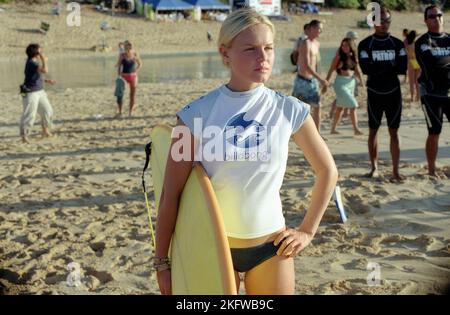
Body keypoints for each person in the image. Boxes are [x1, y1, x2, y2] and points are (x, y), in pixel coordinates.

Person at [154, 8, 338, 295]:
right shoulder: (194, 116)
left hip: (271, 247)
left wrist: (307, 230)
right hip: (210, 248)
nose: (262, 57)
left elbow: (327, 171)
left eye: (268, 48)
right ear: (225, 53)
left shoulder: (289, 109)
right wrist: (162, 262)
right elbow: (170, 194)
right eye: (251, 49)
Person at [358, 7, 407, 181]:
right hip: (374, 93)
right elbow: (366, 68)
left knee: (394, 132)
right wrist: (389, 66)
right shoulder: (365, 44)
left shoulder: (397, 44)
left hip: (393, 92)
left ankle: (395, 170)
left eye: (387, 21)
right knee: (373, 131)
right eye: (380, 21)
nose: (384, 24)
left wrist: (379, 67)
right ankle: (374, 168)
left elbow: (402, 68)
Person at [415, 5, 450, 178]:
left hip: (449, 92)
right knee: (434, 131)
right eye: (432, 16)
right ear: (426, 20)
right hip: (431, 94)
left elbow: (441, 61)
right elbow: (432, 63)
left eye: (439, 15)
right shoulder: (423, 41)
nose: (436, 18)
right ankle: (431, 169)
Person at [293, 20, 328, 133]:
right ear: (311, 29)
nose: (320, 31)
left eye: (321, 29)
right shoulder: (305, 43)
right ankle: (295, 133)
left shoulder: (317, 44)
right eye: (319, 29)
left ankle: (317, 134)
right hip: (302, 80)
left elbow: (316, 63)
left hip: (312, 80)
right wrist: (321, 79)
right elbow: (307, 65)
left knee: (317, 106)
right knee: (299, 109)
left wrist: (319, 79)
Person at [325, 38, 364, 135]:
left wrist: (362, 82)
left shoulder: (354, 57)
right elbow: (331, 70)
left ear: (351, 46)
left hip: (351, 83)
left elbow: (357, 70)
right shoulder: (338, 57)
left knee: (340, 107)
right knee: (353, 105)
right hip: (340, 83)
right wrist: (325, 83)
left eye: (346, 45)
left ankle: (333, 129)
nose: (344, 47)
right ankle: (356, 129)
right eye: (343, 45)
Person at [20, 44, 56, 144]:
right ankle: (24, 136)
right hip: (30, 93)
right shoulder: (32, 63)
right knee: (30, 116)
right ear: (36, 53)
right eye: (40, 51)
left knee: (47, 111)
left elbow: (34, 77)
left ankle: (45, 131)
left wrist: (46, 80)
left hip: (39, 91)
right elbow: (45, 70)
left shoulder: (34, 62)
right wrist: (44, 59)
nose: (42, 52)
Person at [329, 31, 360, 120]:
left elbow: (355, 63)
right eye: (354, 38)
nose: (355, 40)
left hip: (351, 78)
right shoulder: (343, 48)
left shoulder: (353, 47)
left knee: (348, 96)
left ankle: (345, 113)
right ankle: (333, 113)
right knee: (343, 97)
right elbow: (335, 64)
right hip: (343, 78)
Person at [116, 41, 142, 116]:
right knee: (120, 94)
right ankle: (120, 112)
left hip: (133, 76)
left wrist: (136, 71)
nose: (130, 47)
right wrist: (119, 75)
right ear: (125, 46)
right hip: (124, 76)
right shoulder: (122, 55)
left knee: (132, 95)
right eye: (128, 45)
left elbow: (140, 64)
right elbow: (119, 65)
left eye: (131, 45)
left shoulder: (135, 54)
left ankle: (130, 112)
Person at [404, 30, 421, 103]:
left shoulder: (407, 44)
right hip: (417, 62)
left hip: (411, 62)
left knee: (412, 82)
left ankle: (412, 97)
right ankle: (418, 97)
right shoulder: (416, 43)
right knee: (417, 81)